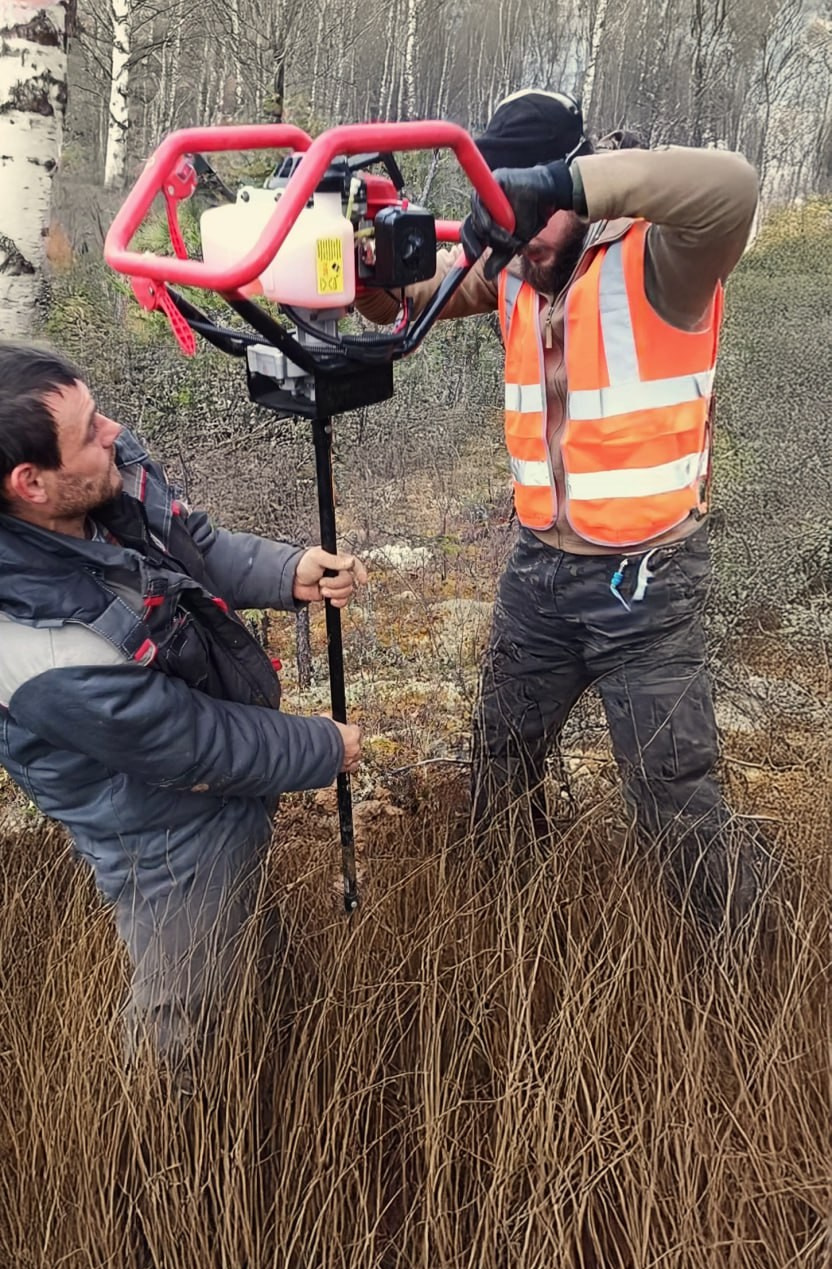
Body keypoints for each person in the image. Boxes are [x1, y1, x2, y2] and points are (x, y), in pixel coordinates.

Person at [360, 89, 767, 932]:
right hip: (539, 572)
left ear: (572, 193)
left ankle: (742, 965)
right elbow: (403, 304)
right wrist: (361, 267)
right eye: (509, 222)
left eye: (536, 217)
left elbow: (733, 183)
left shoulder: (668, 256)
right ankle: (517, 930)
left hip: (646, 581)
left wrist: (562, 184)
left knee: (674, 805)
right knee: (500, 764)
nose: (526, 242)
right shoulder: (517, 260)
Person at [0, 341, 366, 1067]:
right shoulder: (41, 650)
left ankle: (281, 1074)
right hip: (163, 841)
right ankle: (160, 1156)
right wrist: (324, 748)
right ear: (30, 483)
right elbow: (193, 745)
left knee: (257, 965)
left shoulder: (97, 489)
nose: (112, 430)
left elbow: (188, 550)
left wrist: (287, 571)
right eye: (88, 431)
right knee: (185, 1024)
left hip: (223, 804)